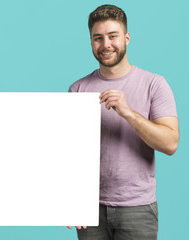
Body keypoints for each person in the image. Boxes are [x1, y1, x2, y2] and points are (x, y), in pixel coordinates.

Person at [67, 5, 179, 240]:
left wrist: (129, 113)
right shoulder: (78, 89)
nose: (105, 44)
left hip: (137, 209)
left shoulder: (155, 84)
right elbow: (70, 152)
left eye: (112, 36)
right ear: (91, 42)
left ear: (126, 38)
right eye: (98, 38)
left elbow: (170, 144)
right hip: (91, 210)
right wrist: (71, 200)